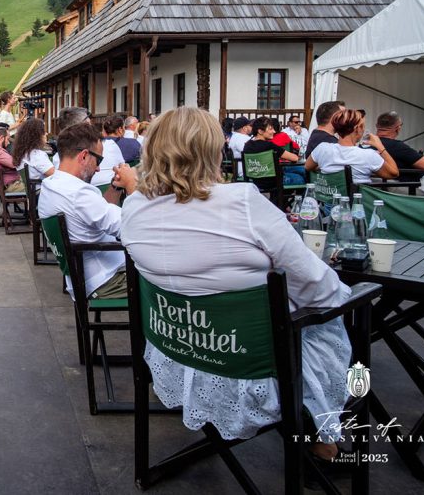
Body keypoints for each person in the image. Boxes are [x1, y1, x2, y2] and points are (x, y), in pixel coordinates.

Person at [120, 107, 353, 461]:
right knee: (338, 312)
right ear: (214, 151)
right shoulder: (241, 201)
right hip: (250, 363)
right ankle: (321, 436)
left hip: (178, 350)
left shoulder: (134, 208)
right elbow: (319, 288)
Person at [37, 122, 137, 299]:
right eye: (98, 160)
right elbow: (132, 228)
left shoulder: (51, 185)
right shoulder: (79, 194)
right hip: (107, 279)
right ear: (84, 156)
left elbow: (101, 212)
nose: (98, 168)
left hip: (84, 278)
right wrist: (132, 186)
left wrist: (115, 186)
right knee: (162, 279)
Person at [306, 109, 398, 184]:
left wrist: (329, 167)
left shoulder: (322, 148)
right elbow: (394, 173)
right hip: (358, 204)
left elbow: (307, 167)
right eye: (363, 126)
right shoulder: (368, 155)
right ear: (357, 129)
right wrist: (380, 146)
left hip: (328, 203)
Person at [242, 116, 303, 188]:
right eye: (270, 129)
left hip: (255, 180)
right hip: (274, 181)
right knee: (300, 178)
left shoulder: (247, 145)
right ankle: (285, 198)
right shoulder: (269, 146)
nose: (274, 131)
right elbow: (295, 158)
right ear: (260, 131)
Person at [375, 111, 424, 181]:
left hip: (375, 187)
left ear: (377, 126)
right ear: (398, 128)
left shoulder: (366, 144)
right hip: (408, 187)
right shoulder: (397, 146)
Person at [91, 117, 127, 186]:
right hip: (110, 184)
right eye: (124, 127)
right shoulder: (111, 143)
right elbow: (123, 165)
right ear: (120, 129)